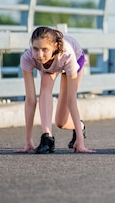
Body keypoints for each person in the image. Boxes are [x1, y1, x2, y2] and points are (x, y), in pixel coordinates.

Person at [16, 26, 94, 154]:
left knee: (61, 121)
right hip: (52, 64)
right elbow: (30, 100)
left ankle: (80, 126)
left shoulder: (67, 55)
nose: (39, 55)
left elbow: (71, 100)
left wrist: (80, 141)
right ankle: (47, 137)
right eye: (35, 49)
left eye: (44, 49)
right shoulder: (28, 57)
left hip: (74, 58)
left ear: (55, 46)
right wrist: (28, 140)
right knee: (45, 85)